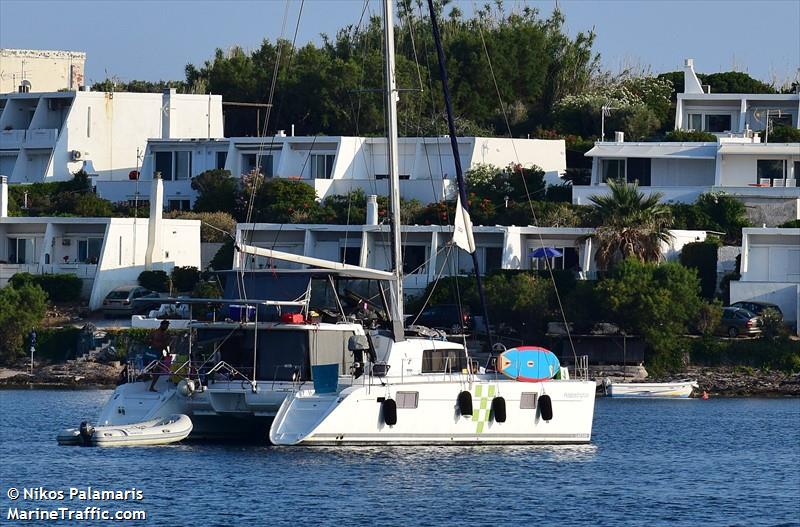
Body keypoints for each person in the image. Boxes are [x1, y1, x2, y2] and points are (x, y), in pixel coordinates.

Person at [148, 320, 172, 392]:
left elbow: (148, 339)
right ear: (162, 325)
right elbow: (164, 344)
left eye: (168, 326)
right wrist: (167, 352)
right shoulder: (161, 333)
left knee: (152, 367)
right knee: (158, 370)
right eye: (166, 325)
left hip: (153, 352)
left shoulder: (155, 332)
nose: (167, 327)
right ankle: (151, 386)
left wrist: (151, 345)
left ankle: (149, 377)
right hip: (157, 353)